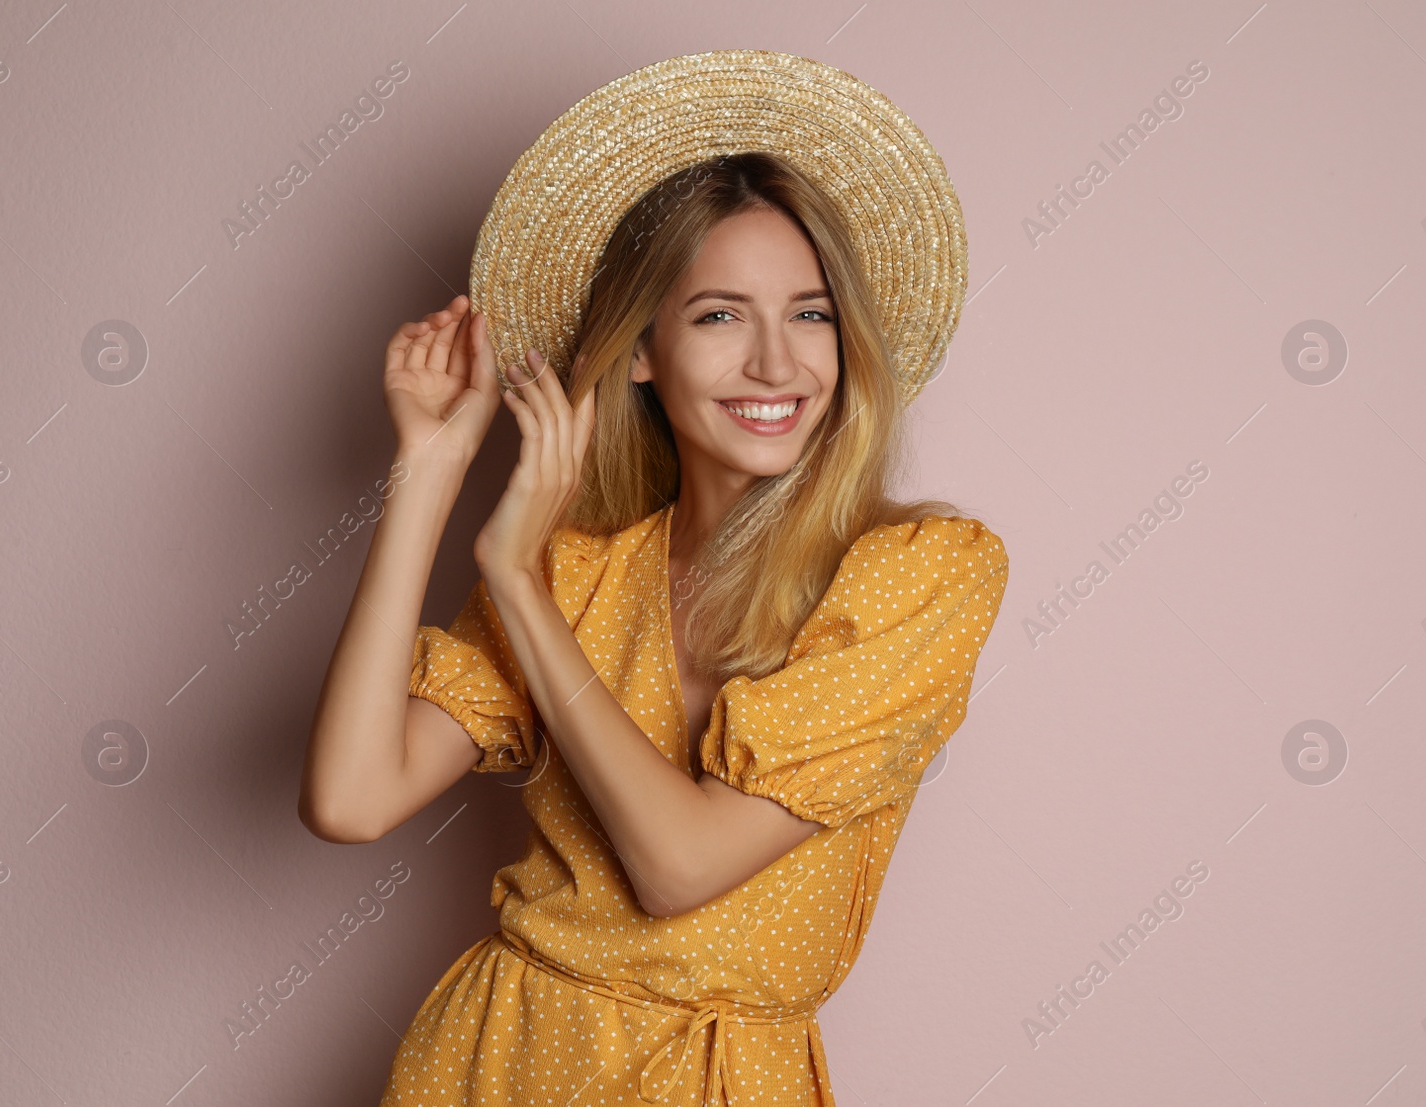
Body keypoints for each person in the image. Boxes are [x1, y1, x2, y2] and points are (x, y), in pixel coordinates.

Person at [300, 51, 1009, 1107]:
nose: (777, 364)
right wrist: (430, 474)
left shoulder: (923, 574)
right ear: (641, 350)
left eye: (810, 313)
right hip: (493, 1063)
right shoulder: (577, 571)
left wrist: (512, 578)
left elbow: (680, 867)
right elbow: (350, 800)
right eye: (720, 315)